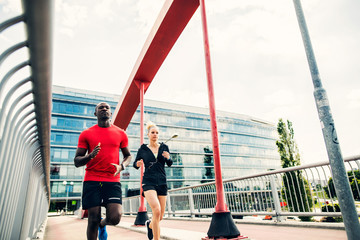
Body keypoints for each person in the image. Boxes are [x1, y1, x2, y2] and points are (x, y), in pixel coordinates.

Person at [74, 102, 132, 240]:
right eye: (101, 107)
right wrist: (90, 156)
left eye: (107, 108)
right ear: (95, 113)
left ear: (110, 113)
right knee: (92, 218)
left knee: (115, 217)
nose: (104, 109)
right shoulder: (86, 134)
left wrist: (122, 166)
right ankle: (97, 223)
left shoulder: (121, 133)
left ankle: (102, 224)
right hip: (92, 180)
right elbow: (76, 161)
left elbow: (128, 156)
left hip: (112, 180)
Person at [133, 122, 173, 240]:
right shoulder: (143, 149)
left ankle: (150, 225)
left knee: (159, 217)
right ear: (148, 134)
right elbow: (135, 164)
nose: (155, 134)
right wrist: (138, 163)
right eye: (153, 133)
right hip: (148, 182)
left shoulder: (164, 147)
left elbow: (170, 163)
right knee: (156, 210)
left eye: (157, 133)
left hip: (162, 182)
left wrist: (169, 158)